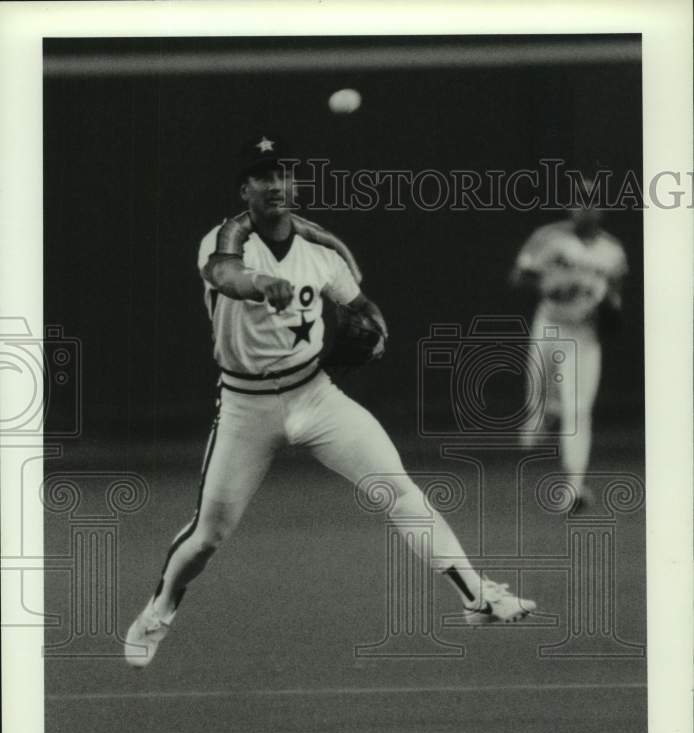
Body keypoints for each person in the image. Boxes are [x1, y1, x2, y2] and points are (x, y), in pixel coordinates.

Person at [125, 135, 536, 667]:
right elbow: (225, 274)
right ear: (244, 189)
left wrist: (375, 330)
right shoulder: (223, 238)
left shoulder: (323, 248)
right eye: (262, 176)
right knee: (208, 535)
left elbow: (363, 308)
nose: (275, 184)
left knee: (399, 489)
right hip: (246, 409)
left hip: (315, 396)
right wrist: (259, 283)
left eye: (283, 174)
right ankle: (158, 610)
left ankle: (476, 597)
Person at [510, 175, 628, 510]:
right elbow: (519, 276)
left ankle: (574, 487)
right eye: (578, 200)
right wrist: (553, 274)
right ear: (570, 205)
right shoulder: (549, 237)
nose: (583, 206)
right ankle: (545, 412)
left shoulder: (613, 251)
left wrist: (607, 303)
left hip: (584, 334)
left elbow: (615, 307)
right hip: (549, 324)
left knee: (579, 410)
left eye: (591, 200)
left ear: (602, 207)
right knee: (536, 398)